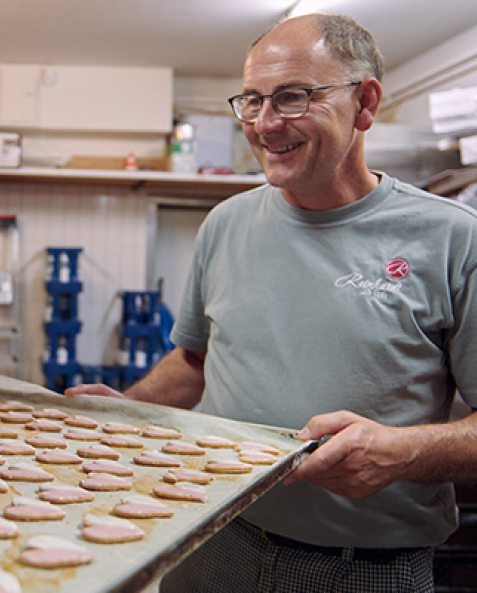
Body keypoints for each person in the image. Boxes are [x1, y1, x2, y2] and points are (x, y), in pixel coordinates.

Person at [66, 12, 477, 593]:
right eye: (252, 100)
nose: (264, 124)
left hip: (362, 570)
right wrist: (128, 411)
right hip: (207, 537)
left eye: (292, 97)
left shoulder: (455, 239)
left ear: (365, 103)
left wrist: (402, 452)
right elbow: (194, 362)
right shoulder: (225, 223)